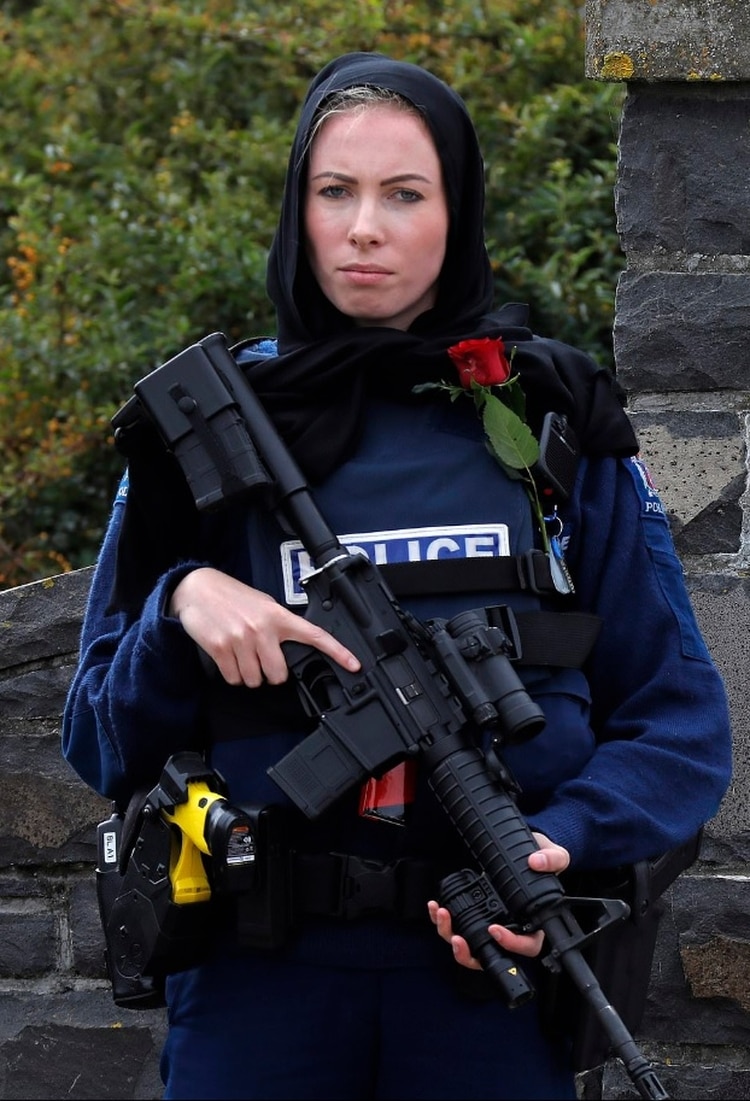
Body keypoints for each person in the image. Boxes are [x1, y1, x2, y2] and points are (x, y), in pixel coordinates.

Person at [62, 52, 732, 1101]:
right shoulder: (205, 437)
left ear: (457, 213)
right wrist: (177, 606)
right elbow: (96, 736)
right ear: (298, 208)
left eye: (405, 194)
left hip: (490, 977)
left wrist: (559, 844)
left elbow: (679, 722)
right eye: (336, 191)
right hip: (258, 985)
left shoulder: (549, 421)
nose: (364, 228)